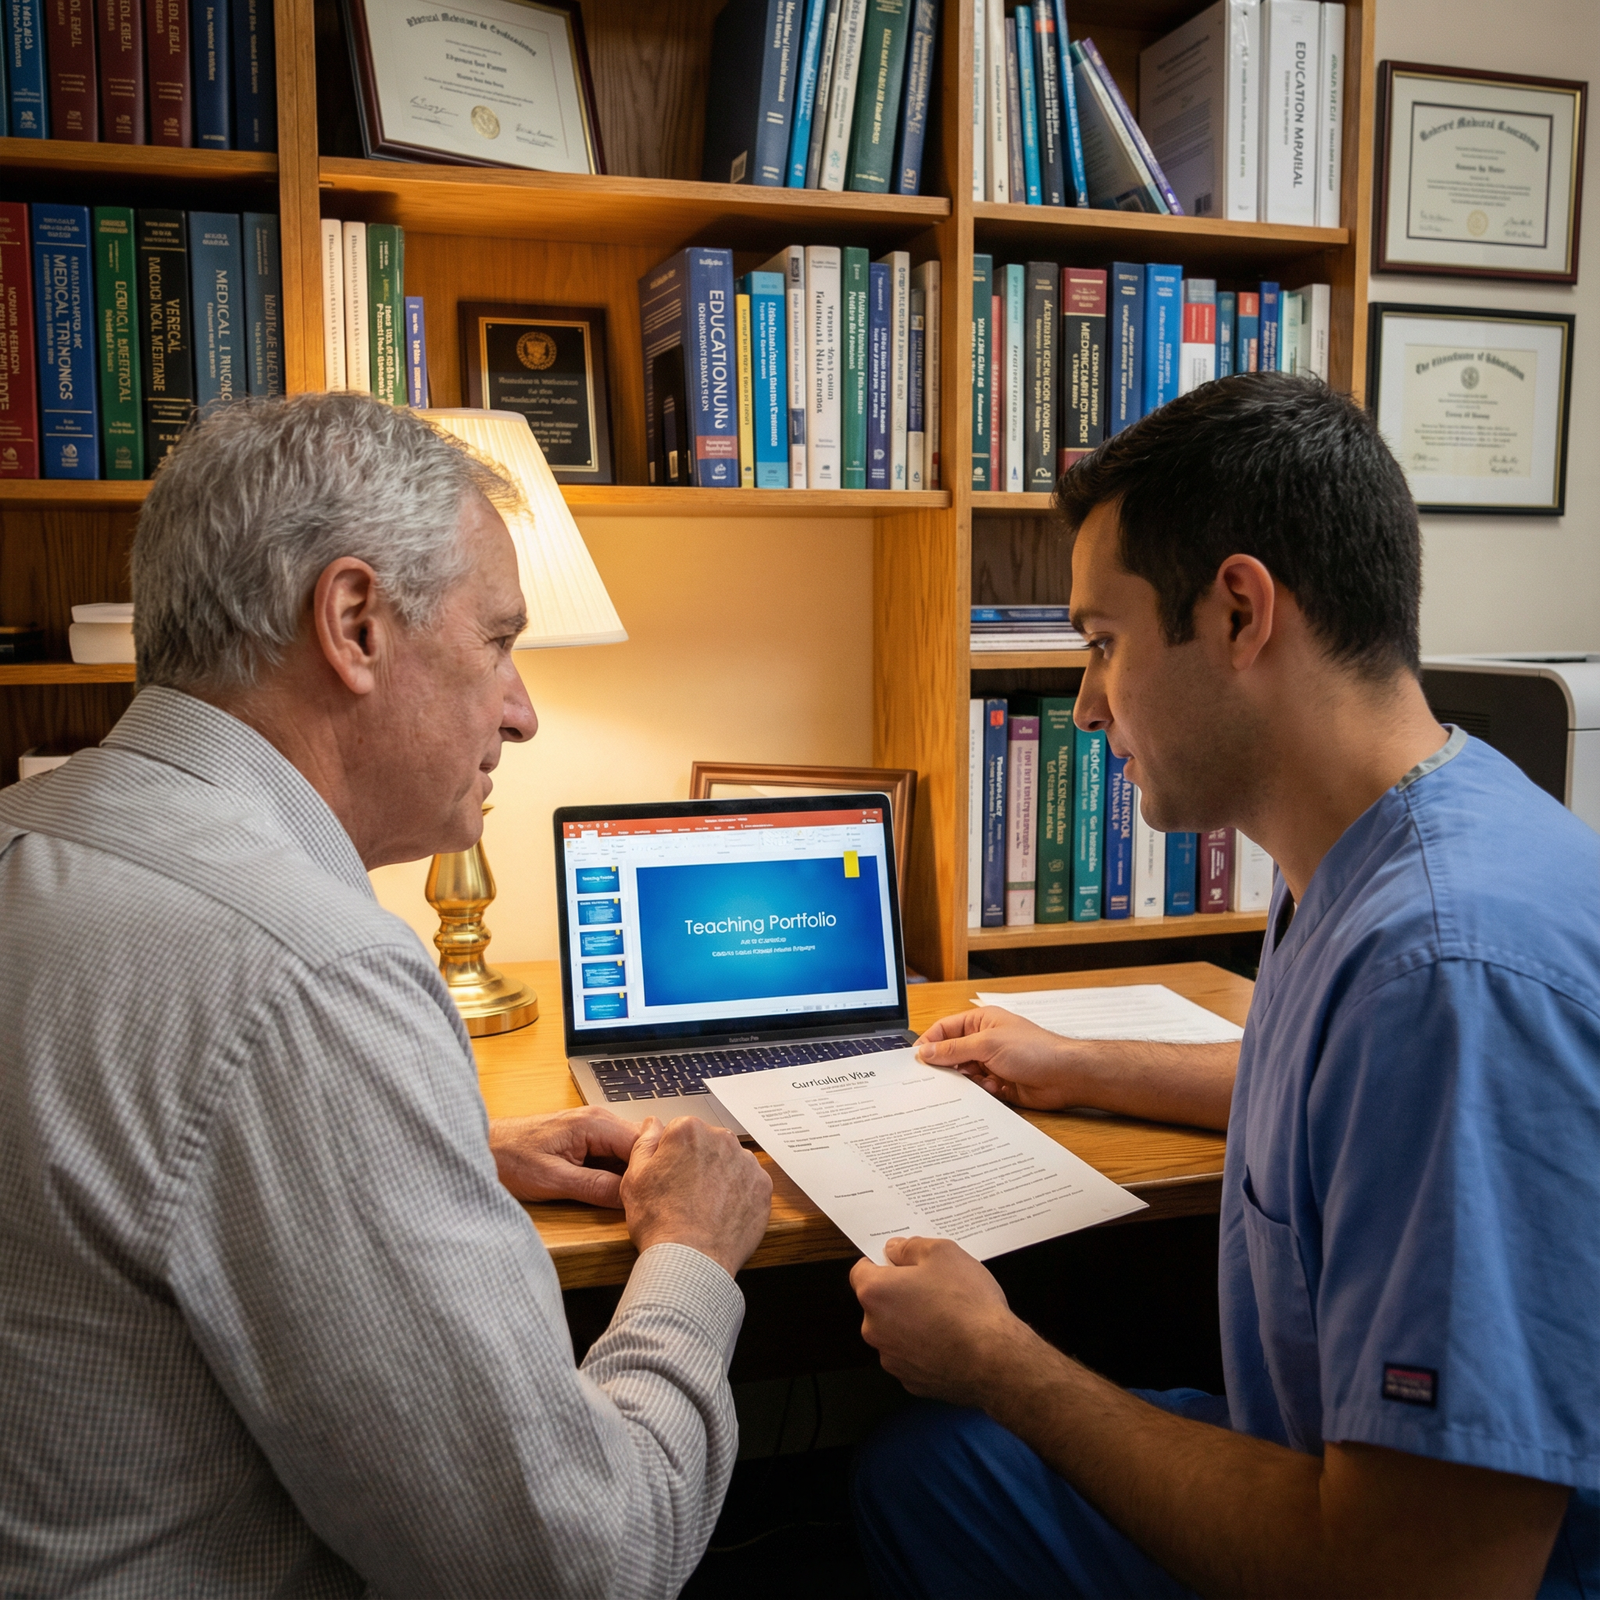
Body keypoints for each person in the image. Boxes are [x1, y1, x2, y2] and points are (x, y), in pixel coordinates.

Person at [0, 392, 772, 1597]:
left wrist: (437, 1145)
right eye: (499, 642)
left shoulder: (34, 843)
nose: (520, 710)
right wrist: (691, 1253)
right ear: (354, 622)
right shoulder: (309, 971)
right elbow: (581, 1566)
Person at [850, 373, 1600, 1599]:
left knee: (947, 1450)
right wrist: (1077, 1062)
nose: (1088, 703)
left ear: (1241, 612)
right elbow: (1333, 1097)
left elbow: (1418, 1579)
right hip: (1325, 1457)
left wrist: (1001, 1359)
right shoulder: (1384, 838)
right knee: (928, 1469)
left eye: (1103, 643)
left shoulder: (1447, 974)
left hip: (1405, 1548)